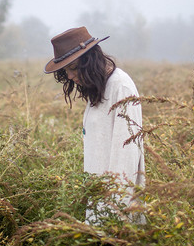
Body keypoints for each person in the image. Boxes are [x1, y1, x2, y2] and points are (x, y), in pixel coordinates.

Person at [44, 26, 145, 225]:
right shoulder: (98, 89)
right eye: (66, 71)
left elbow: (126, 157)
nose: (70, 76)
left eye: (72, 68)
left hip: (117, 215)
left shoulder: (120, 87)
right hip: (100, 209)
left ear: (89, 61)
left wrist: (114, 216)